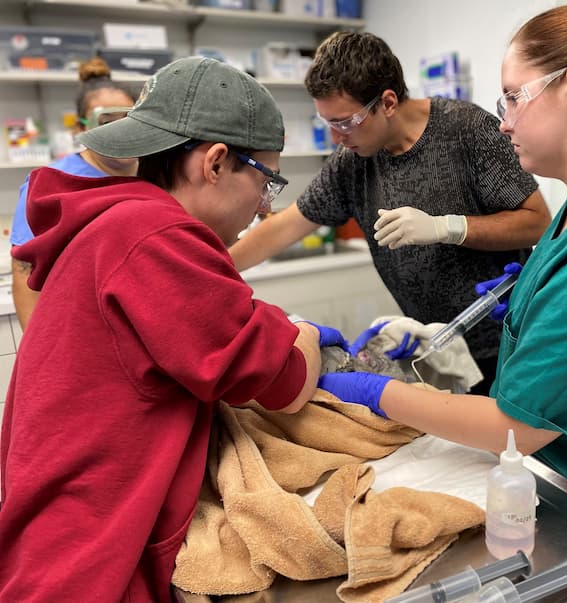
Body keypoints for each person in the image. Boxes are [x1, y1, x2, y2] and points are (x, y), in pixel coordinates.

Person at [315, 5, 567, 603]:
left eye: (511, 98)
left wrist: (377, 393)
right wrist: (480, 320)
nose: (502, 122)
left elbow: (517, 426)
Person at [0, 56, 347, 601]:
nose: (263, 208)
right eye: (267, 181)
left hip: (67, 530)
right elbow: (286, 383)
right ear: (213, 163)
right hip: (87, 564)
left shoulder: (115, 221)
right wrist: (300, 329)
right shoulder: (155, 235)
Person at [229, 31, 552, 395]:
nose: (337, 137)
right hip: (434, 346)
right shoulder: (351, 163)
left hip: (508, 342)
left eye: (345, 122)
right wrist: (212, 267)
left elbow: (539, 222)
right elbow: (284, 228)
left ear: (387, 102)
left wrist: (449, 227)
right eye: (328, 124)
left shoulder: (468, 131)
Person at [10, 57, 138, 329]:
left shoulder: (156, 174)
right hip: (77, 326)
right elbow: (24, 276)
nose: (120, 131)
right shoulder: (48, 184)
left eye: (130, 119)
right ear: (81, 128)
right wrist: (38, 357)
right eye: (106, 121)